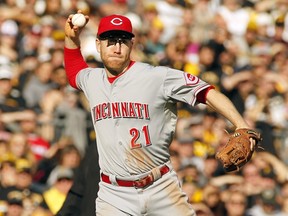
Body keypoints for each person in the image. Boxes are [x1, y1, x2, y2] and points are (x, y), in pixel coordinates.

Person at [63, 11, 258, 216]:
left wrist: (241, 124)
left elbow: (207, 92)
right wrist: (71, 37)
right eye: (110, 40)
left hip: (160, 187)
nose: (117, 47)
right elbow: (74, 71)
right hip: (114, 194)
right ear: (98, 44)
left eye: (123, 40)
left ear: (132, 45)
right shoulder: (92, 80)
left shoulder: (157, 76)